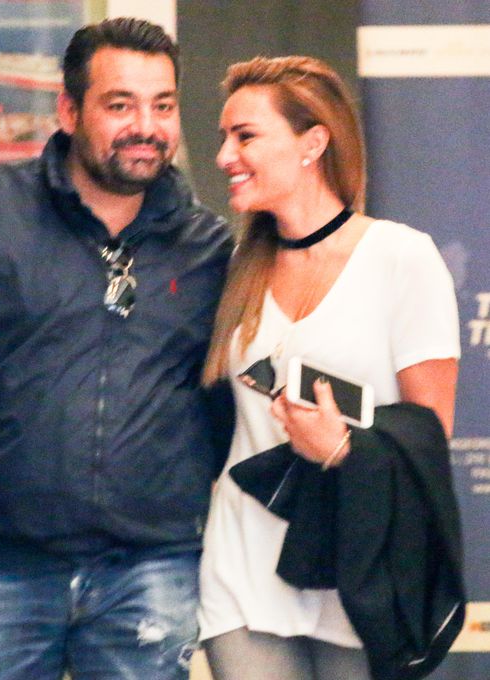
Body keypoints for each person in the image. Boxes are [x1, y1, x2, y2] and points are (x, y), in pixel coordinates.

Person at [0, 18, 232, 680]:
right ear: (68, 111)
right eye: (119, 105)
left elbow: (229, 408)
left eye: (163, 105)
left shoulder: (208, 248)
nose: (145, 126)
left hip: (151, 571)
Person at [198, 56, 461, 680]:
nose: (224, 156)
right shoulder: (234, 268)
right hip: (241, 578)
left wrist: (344, 448)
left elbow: (430, 435)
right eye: (224, 137)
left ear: (313, 143)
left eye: (245, 136)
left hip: (357, 575)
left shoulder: (402, 258)